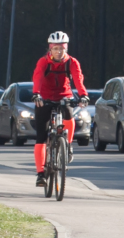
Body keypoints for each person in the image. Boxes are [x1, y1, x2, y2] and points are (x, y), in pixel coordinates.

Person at [32, 31, 88, 186]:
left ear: (66, 49)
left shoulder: (72, 62)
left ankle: (67, 146)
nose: (58, 52)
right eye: (55, 48)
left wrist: (83, 95)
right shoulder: (44, 62)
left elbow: (78, 78)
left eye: (61, 49)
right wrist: (36, 94)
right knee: (41, 137)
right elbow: (37, 77)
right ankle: (40, 174)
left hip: (64, 95)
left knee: (69, 115)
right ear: (50, 49)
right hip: (44, 97)